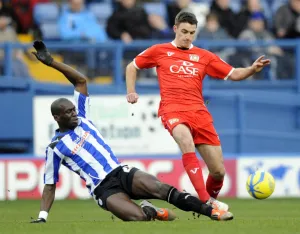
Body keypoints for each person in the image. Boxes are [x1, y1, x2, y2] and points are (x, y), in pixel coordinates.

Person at [30, 40, 233, 223]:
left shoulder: (83, 118)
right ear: (57, 118)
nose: (74, 114)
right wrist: (42, 217)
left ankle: (211, 212)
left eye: (73, 109)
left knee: (163, 190)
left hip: (120, 172)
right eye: (68, 112)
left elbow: (81, 81)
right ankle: (150, 211)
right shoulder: (55, 148)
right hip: (103, 189)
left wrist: (51, 63)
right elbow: (50, 184)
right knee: (138, 218)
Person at [126, 11, 270, 211]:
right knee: (186, 141)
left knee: (218, 171)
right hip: (173, 109)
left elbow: (234, 74)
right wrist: (131, 91)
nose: (187, 36)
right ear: (175, 29)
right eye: (184, 31)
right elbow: (131, 67)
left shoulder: (204, 56)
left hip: (199, 113)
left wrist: (252, 70)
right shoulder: (159, 50)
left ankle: (208, 202)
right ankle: (206, 202)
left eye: (192, 33)